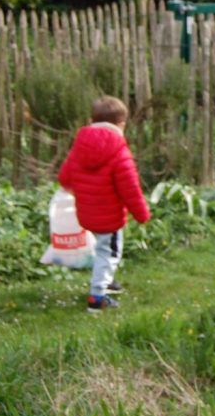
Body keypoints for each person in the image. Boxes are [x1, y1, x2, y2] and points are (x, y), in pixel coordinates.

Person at [58, 95, 150, 312]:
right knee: (109, 255)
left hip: (87, 213)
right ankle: (97, 297)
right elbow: (130, 189)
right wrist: (142, 214)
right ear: (121, 124)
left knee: (102, 249)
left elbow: (64, 177)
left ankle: (106, 283)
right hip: (110, 217)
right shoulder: (119, 151)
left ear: (92, 119)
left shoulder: (80, 146)